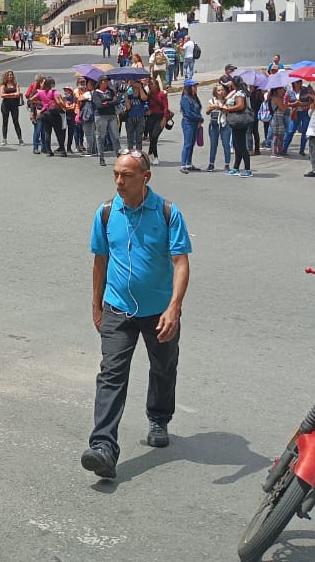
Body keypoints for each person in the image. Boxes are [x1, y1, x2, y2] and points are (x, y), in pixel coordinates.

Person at [81, 149, 191, 480]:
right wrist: (96, 304)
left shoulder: (168, 212)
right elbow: (100, 260)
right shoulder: (105, 213)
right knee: (111, 373)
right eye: (115, 174)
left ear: (146, 177)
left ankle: (158, 418)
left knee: (163, 366)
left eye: (126, 175)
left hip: (159, 311)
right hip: (117, 307)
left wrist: (174, 307)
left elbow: (181, 262)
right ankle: (103, 447)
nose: (118, 181)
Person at [222, 77, 254, 178]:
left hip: (240, 121)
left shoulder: (240, 93)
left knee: (242, 146)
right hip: (237, 122)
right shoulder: (238, 92)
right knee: (237, 146)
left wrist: (228, 109)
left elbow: (240, 106)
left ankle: (248, 170)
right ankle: (236, 167)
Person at [93, 77, 121, 166]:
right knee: (101, 137)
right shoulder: (96, 93)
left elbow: (117, 102)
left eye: (107, 81)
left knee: (116, 137)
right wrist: (110, 102)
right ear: (101, 82)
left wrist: (106, 103)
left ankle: (119, 156)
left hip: (112, 115)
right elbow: (99, 105)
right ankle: (101, 157)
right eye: (105, 81)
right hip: (101, 116)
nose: (107, 82)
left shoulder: (111, 91)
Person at [205, 84, 232, 173]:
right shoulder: (212, 100)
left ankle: (227, 164)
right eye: (219, 90)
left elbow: (227, 110)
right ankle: (211, 164)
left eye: (222, 90)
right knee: (213, 145)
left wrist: (220, 107)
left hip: (224, 124)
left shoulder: (227, 101)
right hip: (214, 125)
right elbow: (207, 112)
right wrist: (211, 108)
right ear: (215, 92)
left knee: (226, 144)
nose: (221, 92)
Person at [178, 80, 202, 173]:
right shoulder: (185, 98)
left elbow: (197, 109)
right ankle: (183, 165)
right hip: (188, 123)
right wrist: (199, 118)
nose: (196, 88)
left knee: (192, 143)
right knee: (187, 144)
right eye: (194, 86)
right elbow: (188, 113)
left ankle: (189, 163)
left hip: (195, 122)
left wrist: (199, 119)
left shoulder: (194, 98)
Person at [0, 69, 24, 146]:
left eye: (11, 75)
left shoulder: (16, 84)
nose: (10, 76)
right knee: (5, 122)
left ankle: (20, 139)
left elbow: (18, 93)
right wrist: (13, 94)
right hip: (5, 106)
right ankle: (4, 139)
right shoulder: (3, 85)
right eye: (8, 75)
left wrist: (9, 95)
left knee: (16, 122)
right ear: (6, 76)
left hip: (14, 106)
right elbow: (2, 95)